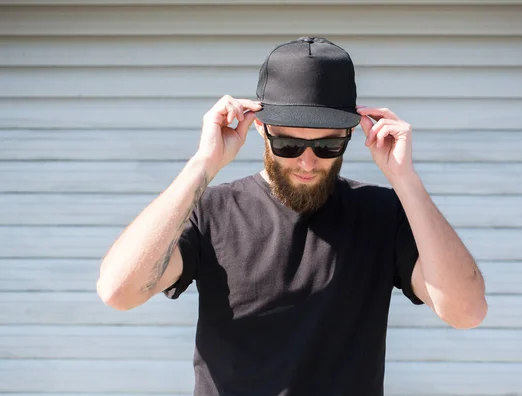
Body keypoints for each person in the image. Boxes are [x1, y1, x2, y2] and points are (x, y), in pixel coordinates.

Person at [97, 37, 487, 396]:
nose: (307, 160)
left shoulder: (383, 215)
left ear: (351, 136)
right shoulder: (211, 211)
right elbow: (118, 291)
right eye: (288, 143)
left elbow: (466, 312)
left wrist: (407, 181)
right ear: (261, 130)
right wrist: (202, 165)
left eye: (328, 145)